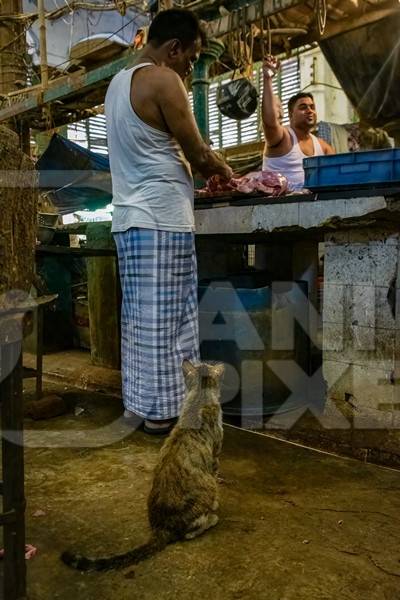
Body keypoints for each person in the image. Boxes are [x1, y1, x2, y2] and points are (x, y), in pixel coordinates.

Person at [104, 9, 232, 435]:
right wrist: (228, 171)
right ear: (173, 48)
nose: (190, 66)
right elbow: (198, 154)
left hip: (129, 221)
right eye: (192, 58)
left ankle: (140, 406)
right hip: (162, 220)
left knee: (141, 322)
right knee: (172, 321)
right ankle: (164, 416)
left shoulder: (118, 84)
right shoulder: (163, 79)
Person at [262, 55, 335, 191]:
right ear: (290, 115)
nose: (309, 111)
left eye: (312, 107)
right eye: (303, 107)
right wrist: (267, 79)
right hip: (277, 207)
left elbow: (338, 172)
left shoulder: (324, 147)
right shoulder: (283, 137)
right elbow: (270, 123)